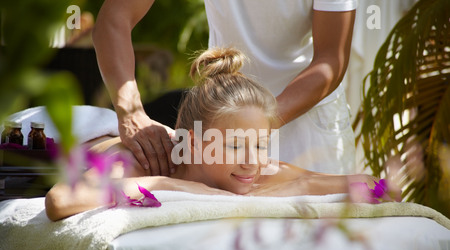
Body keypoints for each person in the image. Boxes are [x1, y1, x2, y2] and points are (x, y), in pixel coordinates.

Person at [45, 48, 387, 221]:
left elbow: (367, 184)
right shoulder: (145, 161)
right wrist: (175, 186)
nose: (253, 162)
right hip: (52, 133)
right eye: (236, 145)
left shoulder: (256, 169)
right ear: (194, 142)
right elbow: (60, 201)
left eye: (261, 144)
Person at [92, 0, 358, 177]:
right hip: (223, 125)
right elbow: (115, 19)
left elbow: (331, 59)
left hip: (308, 124)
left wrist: (255, 127)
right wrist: (130, 113)